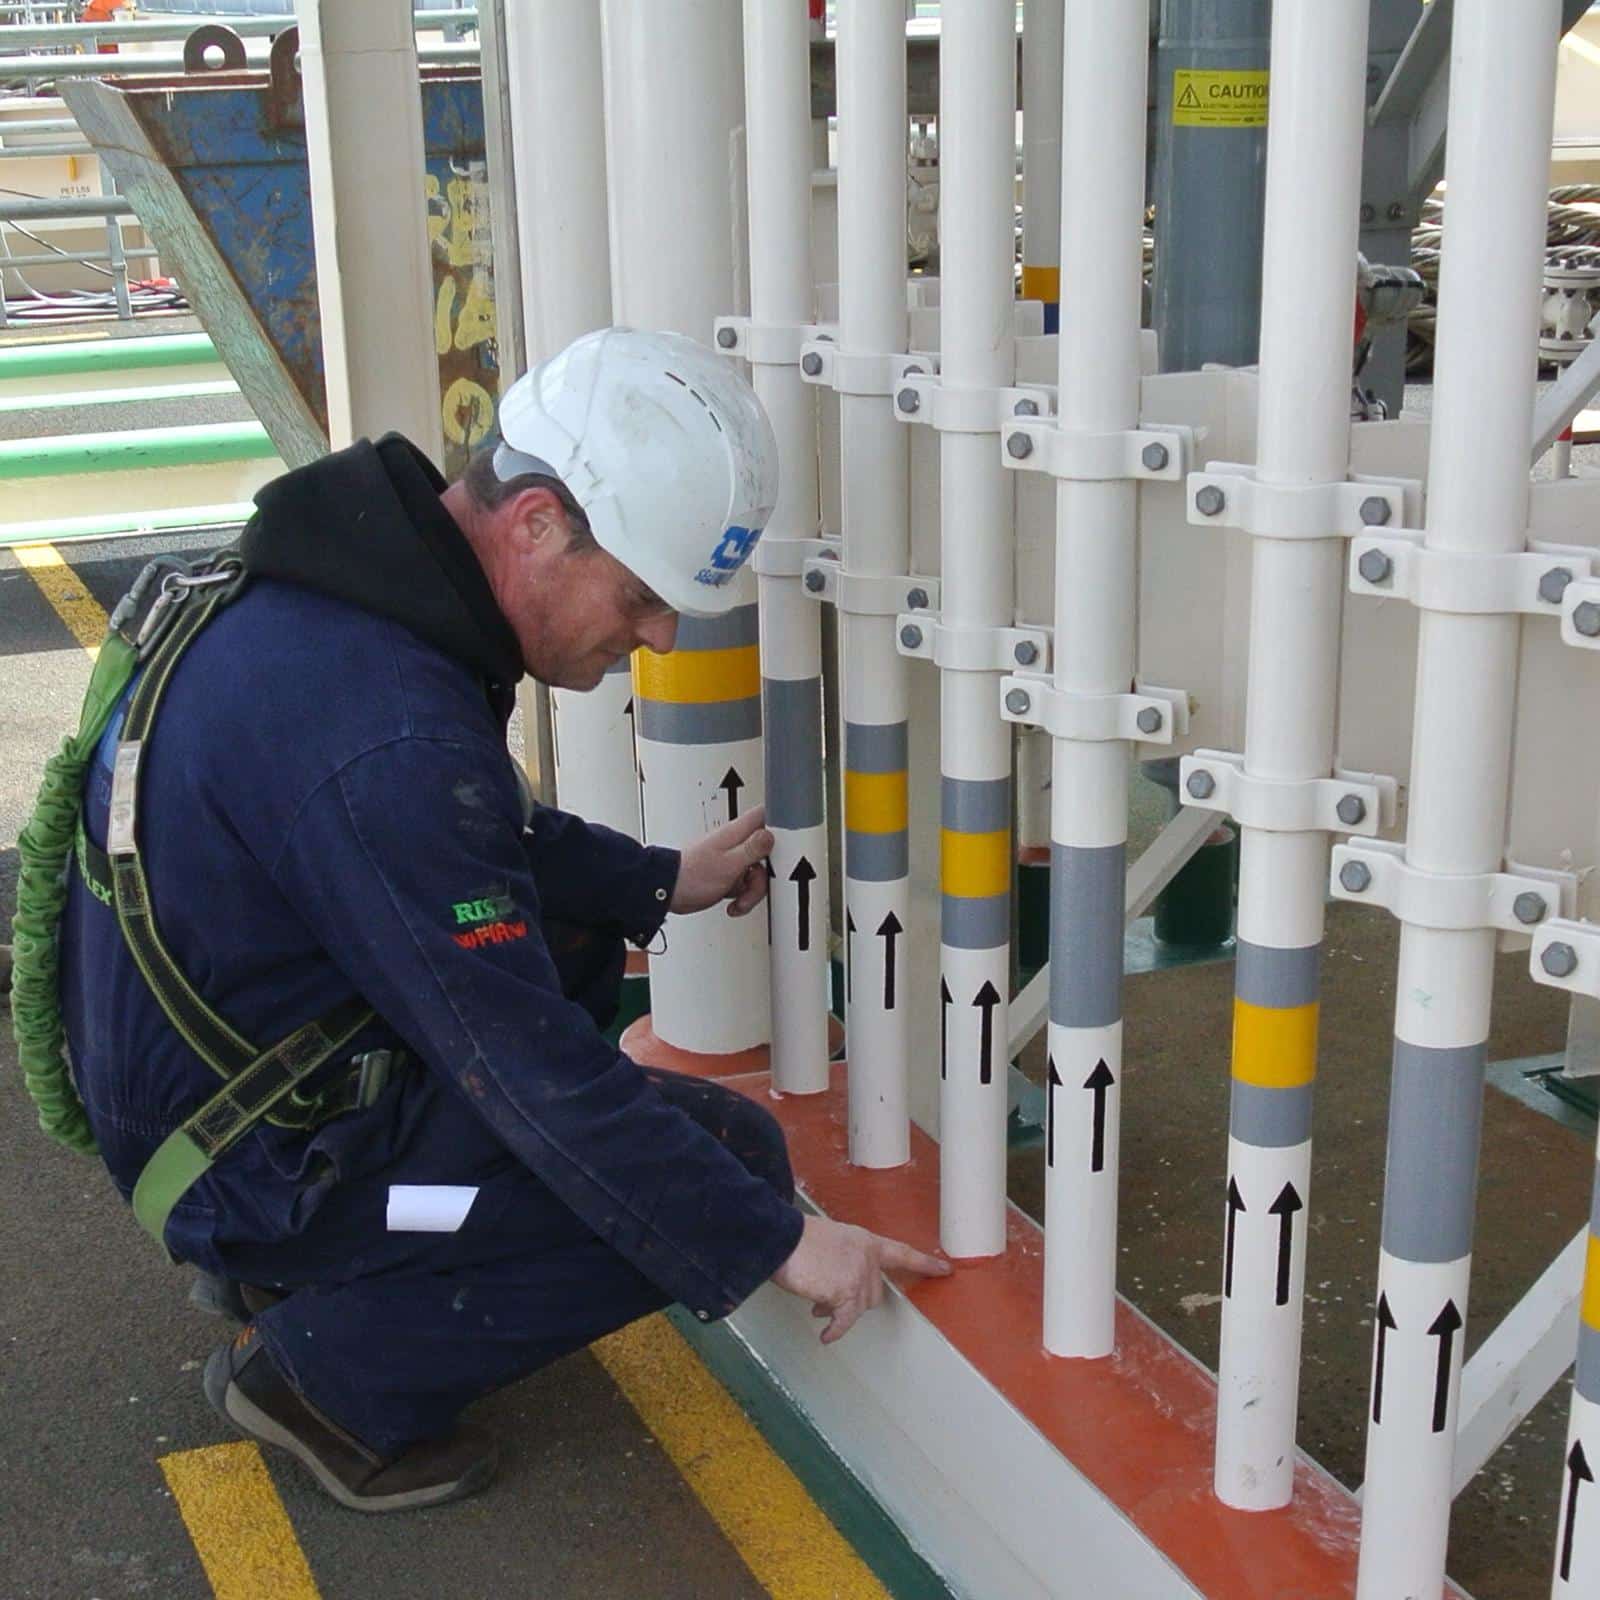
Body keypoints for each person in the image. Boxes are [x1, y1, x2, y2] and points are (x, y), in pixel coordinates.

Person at [54, 328, 948, 1513]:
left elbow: (458, 852)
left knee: (567, 939)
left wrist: (649, 878)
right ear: (535, 522)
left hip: (214, 1082)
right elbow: (530, 1073)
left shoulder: (344, 597)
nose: (661, 636)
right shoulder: (390, 734)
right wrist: (779, 1240)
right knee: (714, 1163)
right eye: (641, 595)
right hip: (243, 1157)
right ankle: (323, 1377)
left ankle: (316, 1267)